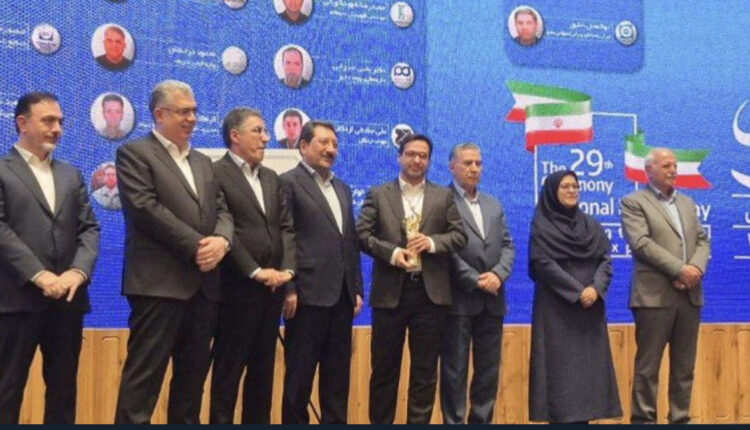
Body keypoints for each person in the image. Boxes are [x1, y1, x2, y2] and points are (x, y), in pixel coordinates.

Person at [114, 80, 233, 424]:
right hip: (158, 288)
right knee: (142, 386)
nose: (192, 118)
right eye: (183, 111)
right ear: (159, 114)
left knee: (191, 387)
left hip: (204, 289)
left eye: (194, 111)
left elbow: (223, 210)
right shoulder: (135, 153)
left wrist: (222, 241)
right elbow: (145, 208)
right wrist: (198, 246)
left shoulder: (204, 162)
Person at [0, 92, 100, 424]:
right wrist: (39, 275)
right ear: (22, 123)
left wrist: (77, 273)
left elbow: (89, 229)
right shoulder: (3, 170)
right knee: (6, 391)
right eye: (48, 121)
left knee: (63, 393)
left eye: (60, 121)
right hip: (15, 301)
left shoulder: (71, 174)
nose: (57, 128)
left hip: (67, 301)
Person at [357, 133, 467, 424]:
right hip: (390, 293)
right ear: (399, 157)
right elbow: (362, 235)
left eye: (423, 156)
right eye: (411, 154)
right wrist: (392, 253)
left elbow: (459, 236)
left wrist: (431, 243)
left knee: (425, 373)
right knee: (384, 372)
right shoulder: (379, 194)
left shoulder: (443, 196)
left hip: (430, 296)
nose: (417, 160)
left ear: (429, 161)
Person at [210, 108, 295, 424]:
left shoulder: (271, 178)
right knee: (228, 376)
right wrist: (255, 271)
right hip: (236, 290)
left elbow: (286, 228)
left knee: (262, 377)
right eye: (258, 131)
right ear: (235, 136)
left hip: (272, 292)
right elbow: (223, 229)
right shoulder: (214, 174)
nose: (266, 138)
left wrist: (287, 270)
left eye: (265, 131)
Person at [279, 120, 363, 424]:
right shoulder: (287, 183)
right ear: (303, 146)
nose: (331, 149)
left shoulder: (342, 188)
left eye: (335, 144)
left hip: (341, 299)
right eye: (323, 142)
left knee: (337, 383)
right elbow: (284, 236)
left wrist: (356, 288)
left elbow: (349, 241)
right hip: (306, 297)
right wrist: (289, 286)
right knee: (298, 384)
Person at [621, 148, 710, 424]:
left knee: (684, 368)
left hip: (689, 296)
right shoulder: (633, 202)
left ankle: (680, 419)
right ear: (649, 170)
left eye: (675, 166)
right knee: (647, 369)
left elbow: (702, 240)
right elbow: (641, 243)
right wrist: (679, 269)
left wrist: (695, 269)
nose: (673, 170)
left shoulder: (687, 203)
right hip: (653, 297)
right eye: (666, 165)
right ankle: (643, 420)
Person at [528, 170, 621, 424]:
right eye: (565, 186)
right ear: (552, 192)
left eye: (575, 186)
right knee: (562, 383)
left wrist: (595, 289)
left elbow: (605, 260)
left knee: (588, 384)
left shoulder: (590, 224)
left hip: (590, 311)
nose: (572, 191)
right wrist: (577, 292)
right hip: (558, 312)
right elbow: (543, 264)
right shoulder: (541, 226)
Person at [440, 143, 515, 424]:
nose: (474, 168)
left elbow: (508, 246)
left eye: (478, 163)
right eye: (468, 163)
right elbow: (445, 250)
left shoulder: (493, 204)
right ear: (452, 167)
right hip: (458, 300)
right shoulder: (441, 200)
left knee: (487, 373)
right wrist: (474, 280)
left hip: (493, 301)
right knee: (454, 372)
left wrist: (498, 275)